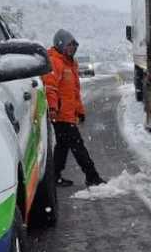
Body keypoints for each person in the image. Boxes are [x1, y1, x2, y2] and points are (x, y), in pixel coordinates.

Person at [43, 29, 105, 187]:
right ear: (61, 45)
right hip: (60, 114)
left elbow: (74, 92)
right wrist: (52, 108)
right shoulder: (55, 62)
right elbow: (50, 88)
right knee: (78, 146)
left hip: (68, 114)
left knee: (63, 146)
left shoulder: (71, 64)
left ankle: (55, 176)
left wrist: (80, 111)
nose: (72, 48)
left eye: (74, 45)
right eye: (69, 45)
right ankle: (92, 176)